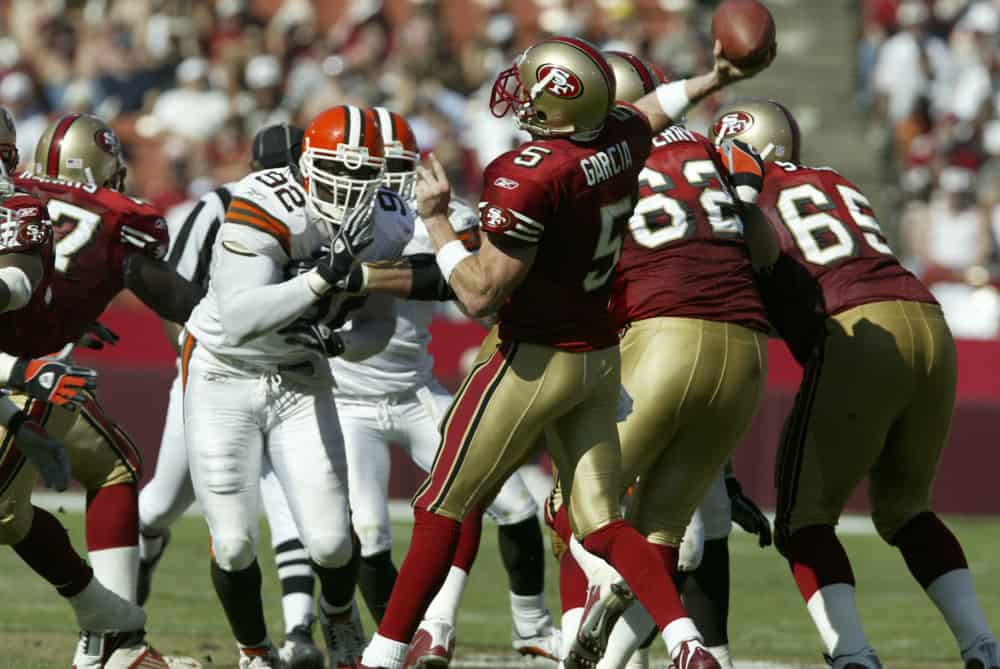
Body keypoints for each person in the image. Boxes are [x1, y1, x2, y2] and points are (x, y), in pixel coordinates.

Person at [357, 35, 770, 669]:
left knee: (441, 501)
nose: (520, 95)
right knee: (602, 522)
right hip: (601, 357)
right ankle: (688, 644)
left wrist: (437, 220)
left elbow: (478, 293)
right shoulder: (620, 143)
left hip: (536, 356)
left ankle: (385, 655)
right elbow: (655, 109)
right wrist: (713, 76)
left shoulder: (526, 174)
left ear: (558, 103)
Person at [710, 98, 1000, 669]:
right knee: (906, 509)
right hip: (928, 319)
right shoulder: (831, 179)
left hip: (854, 328)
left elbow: (764, 269)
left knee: (801, 521)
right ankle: (984, 649)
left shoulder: (742, 195)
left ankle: (854, 657)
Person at [544, 50, 771, 669]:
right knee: (669, 537)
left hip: (658, 338)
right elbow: (767, 252)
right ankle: (634, 647)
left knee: (571, 505)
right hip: (747, 349)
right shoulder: (707, 145)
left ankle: (598, 609)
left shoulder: (597, 159)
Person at [181, 104, 413, 669]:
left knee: (334, 540)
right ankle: (255, 652)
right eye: (341, 169)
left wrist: (342, 345)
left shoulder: (389, 221)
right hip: (222, 370)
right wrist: (321, 276)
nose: (353, 186)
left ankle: (338, 616)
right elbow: (239, 316)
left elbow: (379, 322)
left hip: (300, 374)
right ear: (308, 162)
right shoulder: (264, 200)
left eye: (365, 175)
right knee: (234, 543)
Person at [329, 107, 559, 667]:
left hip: (415, 390)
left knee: (516, 504)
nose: (375, 184)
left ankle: (531, 624)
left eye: (389, 169)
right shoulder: (326, 215)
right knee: (368, 531)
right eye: (365, 170)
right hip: (346, 398)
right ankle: (397, 646)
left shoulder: (442, 217)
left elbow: (480, 290)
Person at [135, 123, 329, 668]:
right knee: (161, 501)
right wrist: (197, 355)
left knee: (292, 500)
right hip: (216, 373)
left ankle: (295, 633)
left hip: (290, 373)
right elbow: (177, 292)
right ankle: (128, 594)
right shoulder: (218, 207)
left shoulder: (326, 207)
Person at [13, 111, 200, 669]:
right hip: (22, 377)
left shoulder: (15, 195)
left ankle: (114, 635)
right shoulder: (116, 215)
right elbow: (178, 301)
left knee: (16, 508)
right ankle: (117, 640)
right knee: (112, 467)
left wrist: (64, 311)